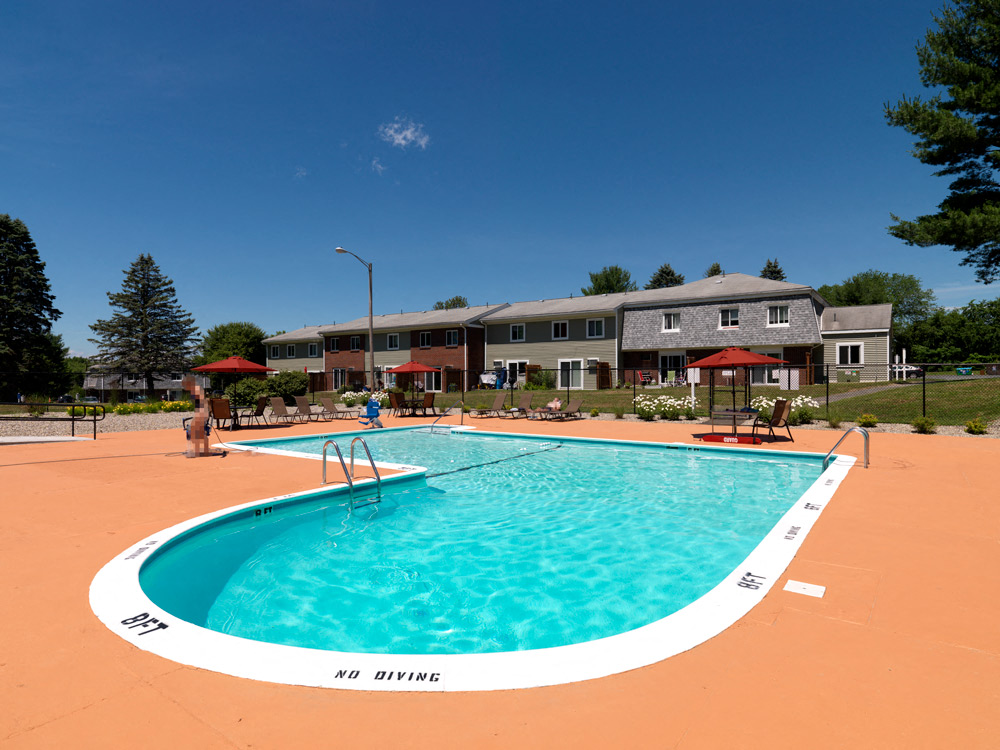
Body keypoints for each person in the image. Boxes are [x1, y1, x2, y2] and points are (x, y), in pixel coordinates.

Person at [181, 375, 221, 457]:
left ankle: (203, 451)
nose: (184, 387)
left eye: (185, 385)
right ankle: (198, 450)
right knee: (195, 431)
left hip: (202, 413)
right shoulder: (194, 390)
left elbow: (203, 402)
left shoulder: (197, 389)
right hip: (201, 413)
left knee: (196, 431)